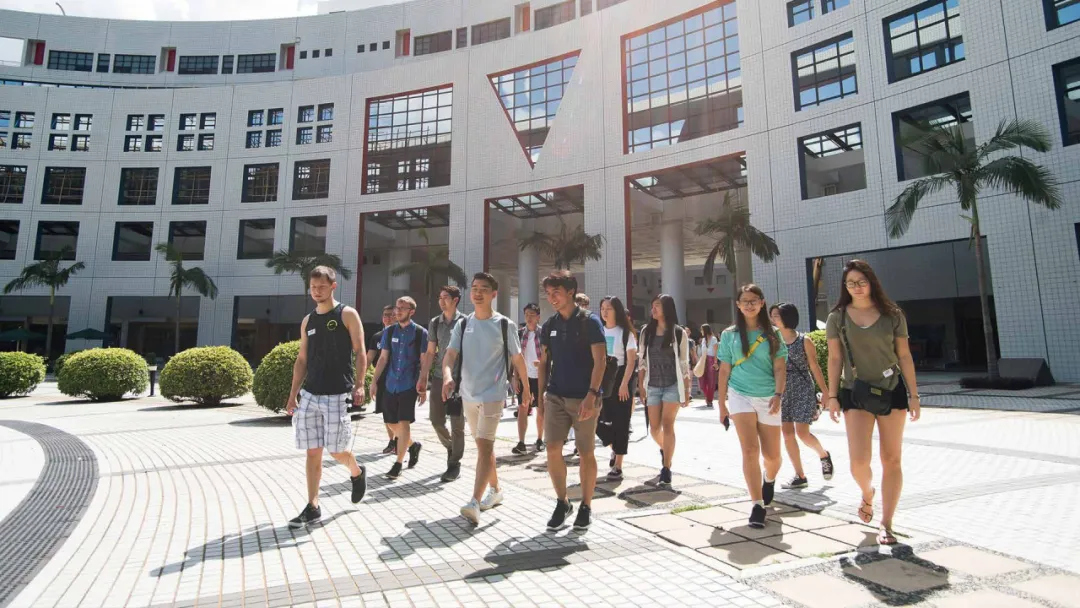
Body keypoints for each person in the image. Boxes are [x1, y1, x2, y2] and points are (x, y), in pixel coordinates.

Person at [826, 259, 920, 546]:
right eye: (850, 283)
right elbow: (835, 358)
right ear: (845, 287)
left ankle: (886, 523)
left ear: (871, 282)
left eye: (861, 282)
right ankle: (868, 493)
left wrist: (914, 395)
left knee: (891, 459)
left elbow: (904, 355)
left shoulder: (893, 315)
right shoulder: (837, 317)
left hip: (892, 391)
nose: (856, 287)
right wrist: (832, 396)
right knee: (858, 462)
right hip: (855, 392)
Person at [440, 273, 531, 525]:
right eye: (475, 288)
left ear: (494, 294)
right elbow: (450, 355)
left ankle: (474, 502)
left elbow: (518, 359)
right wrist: (447, 376)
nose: (478, 293)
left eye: (484, 289)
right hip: (467, 394)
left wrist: (526, 388)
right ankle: (496, 490)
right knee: (483, 447)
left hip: (493, 394)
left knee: (485, 445)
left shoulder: (504, 325)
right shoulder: (462, 324)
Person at [285, 266, 368, 528]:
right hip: (310, 394)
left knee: (337, 450)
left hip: (337, 393)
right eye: (313, 287)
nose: (316, 291)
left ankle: (357, 472)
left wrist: (360, 384)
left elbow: (360, 351)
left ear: (333, 286)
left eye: (321, 287)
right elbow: (302, 359)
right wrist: (293, 394)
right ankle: (313, 506)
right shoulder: (307, 321)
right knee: (313, 452)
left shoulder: (347, 314)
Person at [537, 271, 606, 531]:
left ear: (570, 292)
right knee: (552, 449)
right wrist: (541, 400)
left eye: (556, 292)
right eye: (548, 293)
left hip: (584, 397)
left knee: (586, 452)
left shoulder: (590, 322)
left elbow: (600, 361)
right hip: (556, 396)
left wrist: (592, 394)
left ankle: (586, 505)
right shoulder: (549, 326)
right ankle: (562, 502)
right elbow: (544, 363)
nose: (551, 298)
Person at [718, 284, 787, 529]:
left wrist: (778, 394)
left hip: (768, 396)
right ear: (737, 305)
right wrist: (722, 404)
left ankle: (769, 478)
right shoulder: (729, 335)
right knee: (749, 450)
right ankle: (757, 504)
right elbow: (724, 369)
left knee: (772, 457)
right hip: (740, 395)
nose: (749, 305)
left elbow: (780, 367)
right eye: (744, 301)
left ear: (762, 303)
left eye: (753, 300)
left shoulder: (773, 334)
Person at [769, 303, 834, 489]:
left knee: (802, 433)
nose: (773, 319)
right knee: (787, 434)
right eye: (772, 316)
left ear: (787, 317)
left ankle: (823, 455)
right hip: (781, 391)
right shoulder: (773, 341)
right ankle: (800, 476)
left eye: (776, 316)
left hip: (802, 388)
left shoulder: (804, 340)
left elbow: (814, 367)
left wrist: (826, 393)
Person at [637, 294, 691, 488]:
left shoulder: (678, 333)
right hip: (652, 385)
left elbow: (684, 363)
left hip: (672, 386)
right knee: (654, 429)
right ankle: (665, 449)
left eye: (657, 306)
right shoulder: (646, 332)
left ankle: (666, 468)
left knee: (668, 425)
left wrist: (686, 389)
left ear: (667, 308)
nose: (653, 309)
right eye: (652, 306)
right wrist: (641, 385)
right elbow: (642, 361)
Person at [371, 296, 427, 479]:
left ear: (412, 311)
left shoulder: (420, 333)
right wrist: (373, 381)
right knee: (390, 422)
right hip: (390, 383)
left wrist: (423, 384)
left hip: (409, 384)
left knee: (404, 423)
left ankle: (398, 464)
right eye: (397, 307)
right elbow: (383, 358)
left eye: (403, 308)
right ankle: (412, 445)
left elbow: (424, 361)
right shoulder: (389, 332)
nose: (398, 311)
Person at [420, 285, 466, 482]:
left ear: (455, 300)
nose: (441, 301)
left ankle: (454, 463)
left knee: (457, 424)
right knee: (436, 420)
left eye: (445, 297)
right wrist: (423, 377)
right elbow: (431, 352)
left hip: (460, 380)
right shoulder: (434, 322)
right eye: (440, 297)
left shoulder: (465, 322)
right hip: (439, 377)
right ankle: (451, 447)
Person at [597, 296, 637, 480]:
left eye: (609, 308)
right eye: (602, 308)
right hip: (601, 377)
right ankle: (614, 446)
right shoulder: (597, 331)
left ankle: (618, 465)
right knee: (597, 421)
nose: (605, 312)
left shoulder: (626, 333)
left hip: (621, 376)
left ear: (617, 311)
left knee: (621, 422)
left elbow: (631, 362)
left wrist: (624, 384)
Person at [512, 303, 545, 454]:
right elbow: (515, 358)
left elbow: (550, 355)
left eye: (532, 315)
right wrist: (515, 377)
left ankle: (540, 439)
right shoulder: (519, 334)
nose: (529, 318)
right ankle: (521, 442)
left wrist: (542, 363)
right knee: (522, 407)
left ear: (538, 317)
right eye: (526, 315)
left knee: (540, 408)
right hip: (524, 377)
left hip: (540, 376)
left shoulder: (544, 333)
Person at [367, 305, 397, 454]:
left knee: (397, 413)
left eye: (391, 315)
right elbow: (369, 358)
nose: (388, 318)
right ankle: (393, 441)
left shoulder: (401, 334)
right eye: (385, 315)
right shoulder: (377, 337)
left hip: (398, 380)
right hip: (381, 379)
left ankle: (401, 440)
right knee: (385, 413)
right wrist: (360, 378)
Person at [698, 324, 719, 408]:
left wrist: (715, 362)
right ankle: (707, 396)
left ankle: (709, 400)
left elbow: (716, 351)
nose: (701, 331)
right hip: (703, 360)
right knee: (701, 380)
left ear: (705, 330)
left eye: (702, 330)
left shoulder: (714, 339)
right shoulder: (703, 340)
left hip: (711, 360)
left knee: (711, 381)